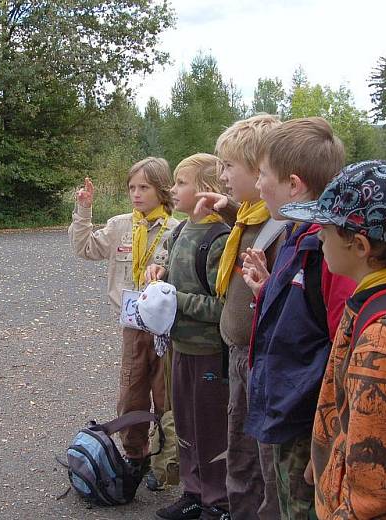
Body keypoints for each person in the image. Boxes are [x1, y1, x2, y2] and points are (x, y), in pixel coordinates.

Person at [278, 160, 386, 518]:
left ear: (359, 245)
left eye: (326, 227)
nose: (318, 235)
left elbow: (381, 494)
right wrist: (326, 455)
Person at [241, 118, 354, 519]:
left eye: (263, 175)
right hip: (286, 411)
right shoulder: (296, 235)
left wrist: (331, 440)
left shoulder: (330, 248)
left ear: (294, 184)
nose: (257, 186)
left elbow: (348, 348)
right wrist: (270, 289)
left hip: (308, 422)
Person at [194, 113, 283, 519]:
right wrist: (228, 207)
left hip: (262, 360)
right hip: (239, 354)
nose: (221, 175)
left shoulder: (282, 227)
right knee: (240, 451)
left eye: (229, 166)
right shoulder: (249, 215)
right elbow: (250, 223)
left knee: (263, 461)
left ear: (261, 169)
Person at [68, 158, 179, 482]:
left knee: (165, 394)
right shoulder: (119, 225)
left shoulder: (177, 230)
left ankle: (165, 462)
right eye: (132, 187)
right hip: (132, 326)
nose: (136, 194)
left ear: (161, 189)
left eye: (144, 187)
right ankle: (135, 455)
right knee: (131, 393)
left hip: (165, 328)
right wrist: (84, 211)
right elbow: (85, 248)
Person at [146, 153, 231, 520]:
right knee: (185, 423)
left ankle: (218, 501)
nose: (172, 188)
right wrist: (159, 274)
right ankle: (194, 491)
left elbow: (222, 307)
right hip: (179, 348)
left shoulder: (220, 238)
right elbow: (175, 275)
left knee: (212, 427)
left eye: (181, 182)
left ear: (207, 190)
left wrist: (174, 299)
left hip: (210, 353)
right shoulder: (180, 231)